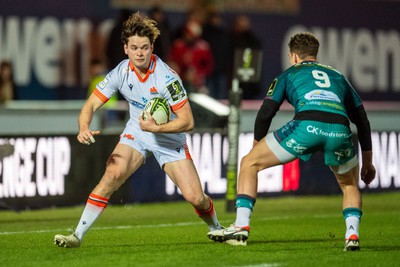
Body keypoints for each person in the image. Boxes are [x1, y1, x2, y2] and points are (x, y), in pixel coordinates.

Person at [54, 12, 223, 248]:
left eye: (144, 47)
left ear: (152, 47)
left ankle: (217, 228)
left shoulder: (167, 78)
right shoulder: (121, 72)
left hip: (169, 138)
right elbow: (91, 104)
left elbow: (188, 121)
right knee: (112, 173)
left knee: (196, 198)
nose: (139, 53)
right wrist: (83, 126)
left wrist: (158, 127)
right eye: (134, 48)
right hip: (137, 132)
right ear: (125, 49)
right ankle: (77, 236)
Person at [207, 32, 376, 251]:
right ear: (315, 54)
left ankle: (241, 226)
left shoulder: (288, 74)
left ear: (294, 56)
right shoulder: (338, 76)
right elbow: (362, 119)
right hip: (339, 129)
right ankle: (352, 235)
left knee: (249, 163)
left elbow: (267, 111)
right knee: (350, 185)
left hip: (306, 126)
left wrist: (256, 145)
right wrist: (368, 161)